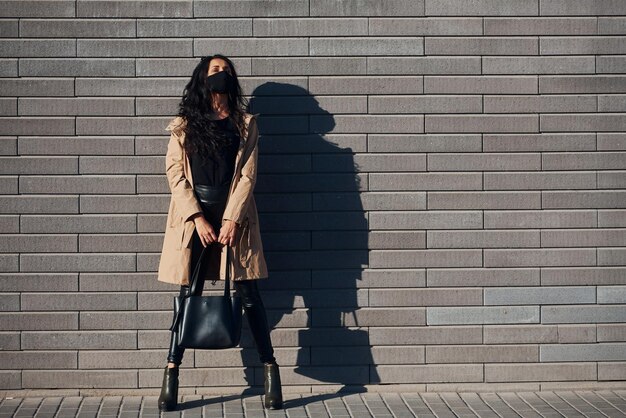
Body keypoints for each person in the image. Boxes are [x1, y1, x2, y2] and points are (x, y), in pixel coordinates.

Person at [156, 54, 282, 411]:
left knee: (249, 293)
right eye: (215, 71)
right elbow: (175, 174)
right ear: (203, 78)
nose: (222, 75)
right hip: (194, 219)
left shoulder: (244, 124)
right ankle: (171, 375)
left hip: (234, 219)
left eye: (226, 71)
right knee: (188, 293)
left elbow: (247, 176)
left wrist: (230, 219)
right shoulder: (184, 124)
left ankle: (271, 371)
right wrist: (197, 218)